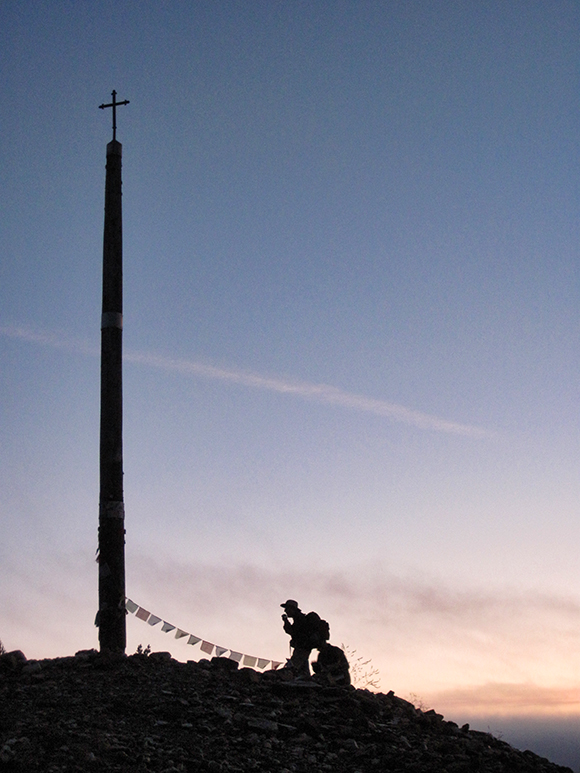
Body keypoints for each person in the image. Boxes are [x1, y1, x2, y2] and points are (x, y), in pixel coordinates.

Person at [280, 599, 327, 677]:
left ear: (292, 609)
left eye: (287, 608)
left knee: (293, 666)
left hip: (303, 647)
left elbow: (293, 632)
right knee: (302, 667)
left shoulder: (299, 619)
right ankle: (305, 679)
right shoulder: (298, 618)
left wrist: (286, 622)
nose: (285, 610)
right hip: (303, 647)